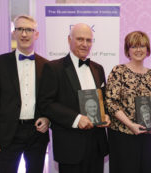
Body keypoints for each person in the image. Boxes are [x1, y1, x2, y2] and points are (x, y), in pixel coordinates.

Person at [37, 23, 110, 173]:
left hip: (96, 144)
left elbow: (103, 99)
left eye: (88, 40)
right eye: (80, 39)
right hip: (70, 146)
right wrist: (76, 119)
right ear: (69, 40)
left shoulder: (98, 68)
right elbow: (46, 104)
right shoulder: (53, 68)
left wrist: (106, 115)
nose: (85, 44)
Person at [0, 15, 50, 173]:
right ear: (14, 33)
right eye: (20, 29)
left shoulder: (47, 66)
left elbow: (50, 100)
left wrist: (48, 118)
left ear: (36, 34)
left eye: (29, 29)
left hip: (37, 134)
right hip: (8, 134)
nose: (24, 34)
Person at [105, 31, 151, 173]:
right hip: (123, 136)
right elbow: (111, 103)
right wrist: (131, 125)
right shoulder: (118, 71)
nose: (138, 50)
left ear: (147, 49)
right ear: (127, 50)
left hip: (148, 136)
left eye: (142, 46)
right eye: (134, 46)